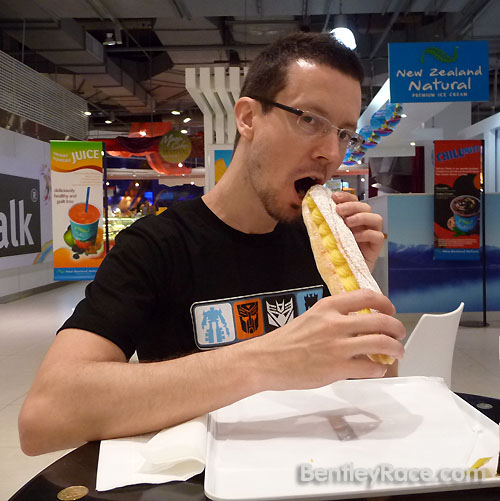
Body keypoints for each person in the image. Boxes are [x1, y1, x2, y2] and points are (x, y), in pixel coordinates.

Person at [19, 32, 405, 456]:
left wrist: (361, 284)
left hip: (315, 467)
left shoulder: (318, 246)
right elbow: (44, 417)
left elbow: (378, 380)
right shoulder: (154, 246)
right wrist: (270, 359)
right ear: (248, 118)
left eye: (345, 133)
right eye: (310, 119)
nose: (331, 153)